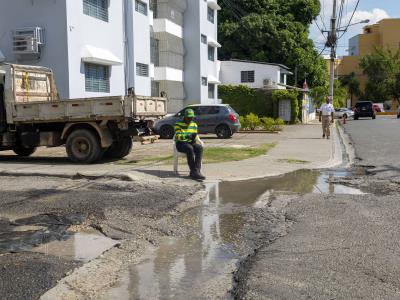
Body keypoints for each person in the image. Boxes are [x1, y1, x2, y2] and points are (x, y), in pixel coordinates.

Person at [175, 109, 206, 180]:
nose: (190, 119)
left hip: (191, 142)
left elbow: (194, 136)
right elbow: (178, 136)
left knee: (199, 148)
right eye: (188, 118)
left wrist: (193, 137)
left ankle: (196, 171)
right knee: (189, 148)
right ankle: (193, 171)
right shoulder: (178, 124)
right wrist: (187, 136)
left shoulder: (194, 125)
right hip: (181, 143)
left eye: (191, 117)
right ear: (185, 117)